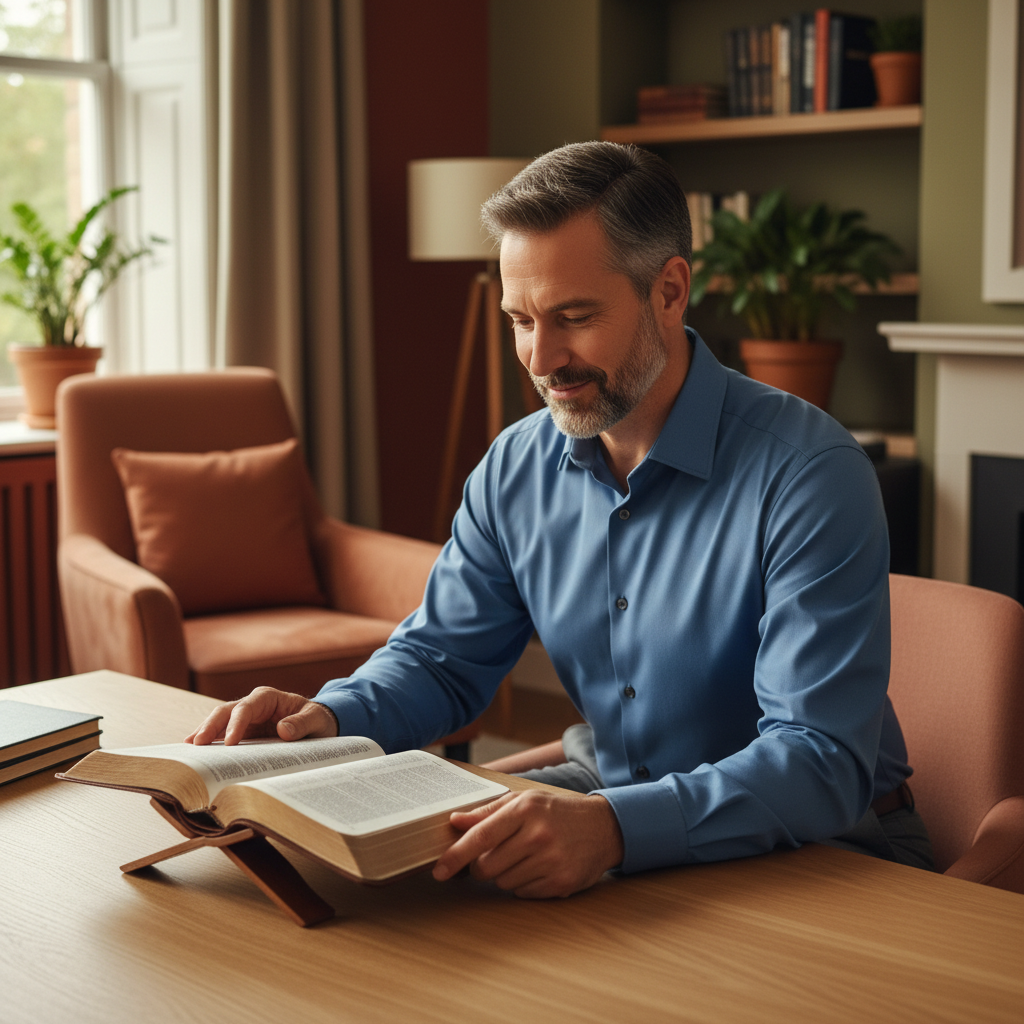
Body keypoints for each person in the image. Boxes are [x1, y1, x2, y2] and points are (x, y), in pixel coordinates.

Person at [187, 141, 932, 898]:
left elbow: (818, 761)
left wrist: (611, 827)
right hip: (606, 799)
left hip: (831, 847)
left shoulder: (809, 473)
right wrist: (327, 719)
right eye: (520, 320)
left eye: (574, 317)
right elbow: (443, 660)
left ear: (670, 291)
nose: (541, 359)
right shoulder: (516, 467)